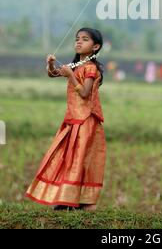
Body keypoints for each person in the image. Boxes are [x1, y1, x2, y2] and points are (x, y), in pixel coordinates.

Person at [25, 27, 106, 211]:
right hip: (72, 121)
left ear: (95, 47)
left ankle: (76, 200)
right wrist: (51, 65)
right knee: (66, 158)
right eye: (77, 39)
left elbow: (85, 93)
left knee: (79, 160)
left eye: (84, 39)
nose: (78, 42)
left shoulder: (91, 68)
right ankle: (65, 198)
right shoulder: (76, 66)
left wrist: (70, 76)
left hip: (86, 122)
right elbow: (53, 74)